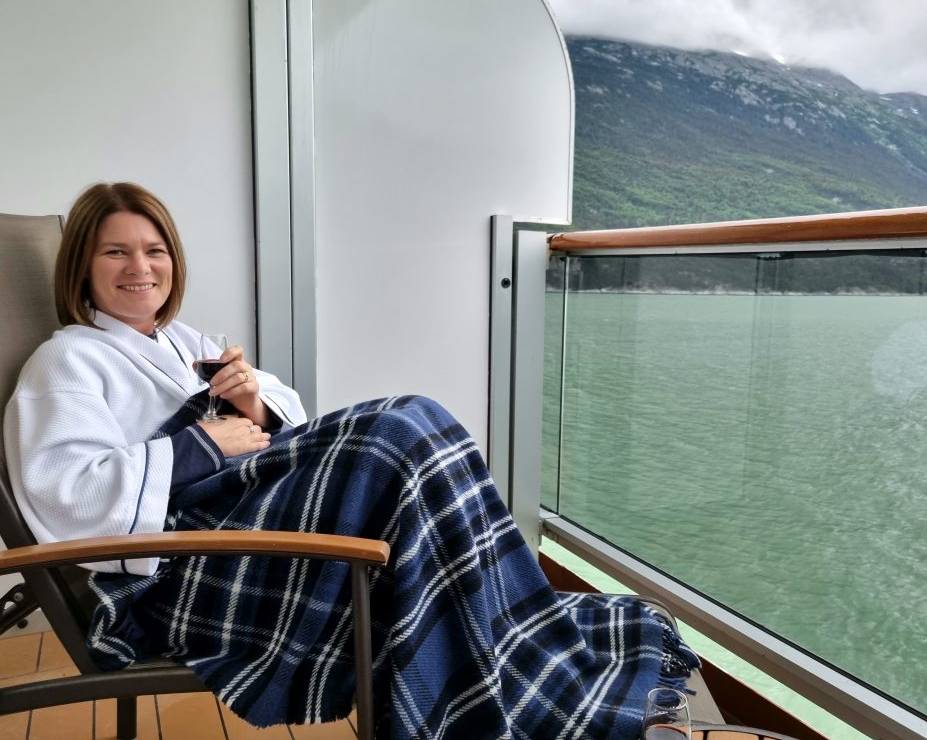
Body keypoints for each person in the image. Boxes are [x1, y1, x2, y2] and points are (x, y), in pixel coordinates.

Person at [4, 183, 699, 738]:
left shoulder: (188, 343)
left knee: (415, 420)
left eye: (154, 250)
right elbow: (68, 494)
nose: (140, 268)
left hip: (244, 531)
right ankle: (502, 660)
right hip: (184, 574)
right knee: (392, 436)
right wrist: (201, 444)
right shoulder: (66, 361)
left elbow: (290, 423)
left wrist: (252, 404)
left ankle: (506, 642)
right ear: (82, 267)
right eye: (116, 253)